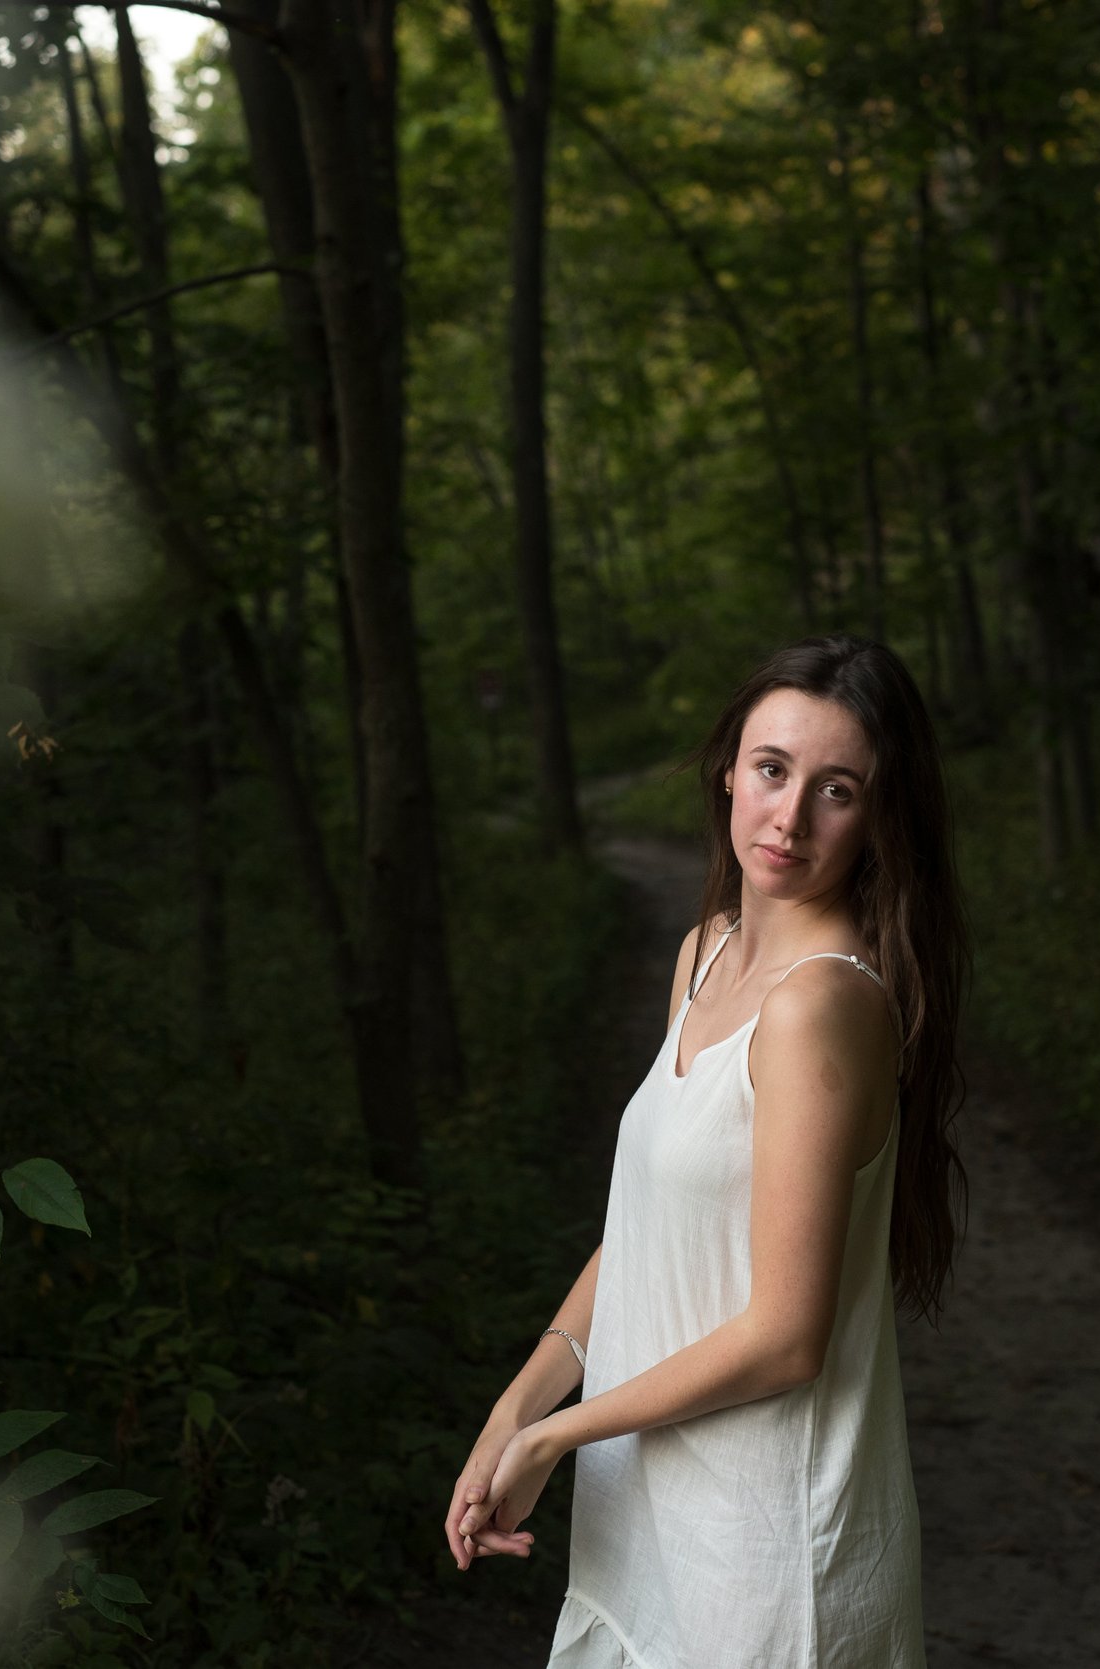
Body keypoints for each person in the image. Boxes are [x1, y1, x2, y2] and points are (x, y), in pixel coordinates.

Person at [444, 634, 970, 1668]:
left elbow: (785, 1336)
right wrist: (517, 1406)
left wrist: (558, 1435)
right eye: (772, 770)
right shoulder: (707, 947)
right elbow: (644, 1233)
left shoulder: (821, 1004)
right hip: (646, 1527)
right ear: (729, 766)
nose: (788, 816)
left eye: (836, 790)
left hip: (761, 1557)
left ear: (877, 817)